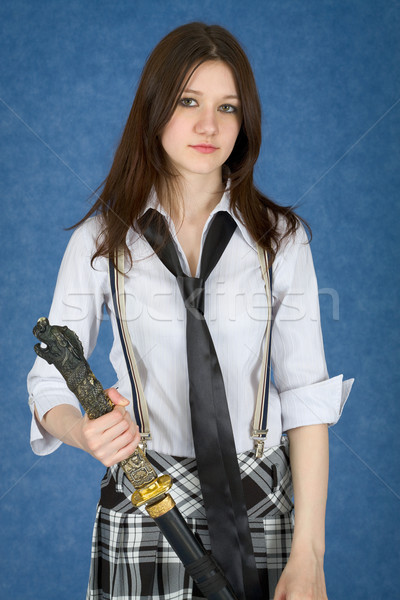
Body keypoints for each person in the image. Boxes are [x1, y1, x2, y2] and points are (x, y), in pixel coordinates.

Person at [27, 22, 353, 600]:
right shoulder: (101, 240)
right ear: (154, 110)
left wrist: (310, 554)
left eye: (227, 107)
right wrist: (82, 432)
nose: (209, 125)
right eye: (188, 101)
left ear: (244, 121)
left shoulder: (282, 240)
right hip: (145, 502)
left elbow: (306, 398)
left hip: (262, 504)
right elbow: (48, 383)